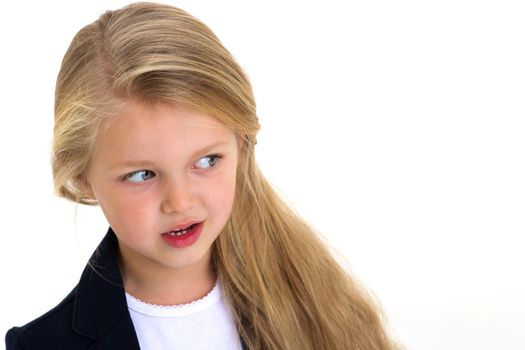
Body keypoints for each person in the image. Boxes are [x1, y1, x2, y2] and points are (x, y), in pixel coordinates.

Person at [5, 2, 399, 349]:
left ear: (241, 143)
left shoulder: (325, 307)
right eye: (142, 174)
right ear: (81, 176)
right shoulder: (42, 344)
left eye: (207, 161)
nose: (180, 201)